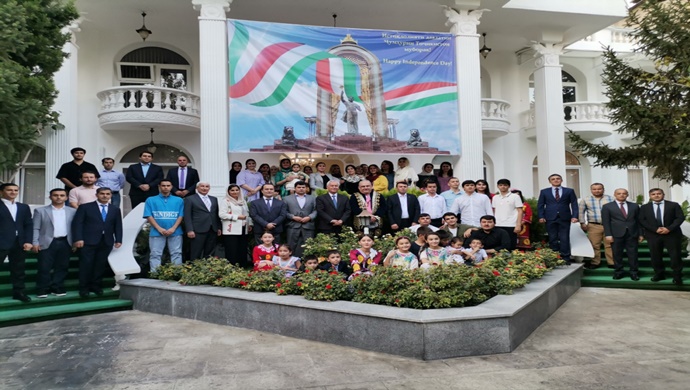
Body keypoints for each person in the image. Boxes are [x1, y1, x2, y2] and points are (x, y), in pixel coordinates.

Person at [72, 187, 123, 298]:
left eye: (107, 194)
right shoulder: (85, 207)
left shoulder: (115, 209)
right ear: (97, 195)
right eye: (102, 193)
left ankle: (96, 286)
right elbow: (77, 224)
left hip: (106, 241)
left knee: (100, 265)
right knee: (86, 265)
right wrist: (78, 238)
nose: (105, 196)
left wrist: (118, 239)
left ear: (110, 195)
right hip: (88, 241)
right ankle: (84, 288)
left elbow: (118, 225)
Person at [32, 188, 76, 298]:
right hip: (47, 242)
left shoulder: (73, 211)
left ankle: (57, 287)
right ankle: (42, 288)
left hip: (65, 241)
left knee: (62, 266)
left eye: (62, 195)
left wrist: (74, 242)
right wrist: (35, 242)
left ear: (66, 198)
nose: (59, 197)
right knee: (44, 266)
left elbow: (75, 228)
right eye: (55, 195)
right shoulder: (40, 211)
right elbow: (35, 228)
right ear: (50, 197)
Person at [639, 188, 685, 284]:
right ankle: (659, 274)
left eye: (659, 193)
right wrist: (655, 229)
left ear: (663, 194)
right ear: (650, 196)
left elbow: (680, 218)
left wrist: (669, 228)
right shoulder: (644, 207)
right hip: (653, 234)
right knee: (655, 255)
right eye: (653, 194)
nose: (656, 195)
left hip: (671, 234)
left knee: (675, 255)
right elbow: (642, 220)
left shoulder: (673, 205)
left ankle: (677, 276)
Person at [0, 183, 34, 302]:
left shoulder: (23, 207)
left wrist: (28, 241)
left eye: (15, 190)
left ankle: (18, 292)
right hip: (2, 241)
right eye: (9, 190)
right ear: (2, 192)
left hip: (19, 242)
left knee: (18, 270)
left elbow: (28, 225)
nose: (13, 192)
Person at [144, 180, 184, 273]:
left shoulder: (179, 200)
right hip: (156, 232)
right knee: (155, 254)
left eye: (168, 185)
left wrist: (173, 228)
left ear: (171, 187)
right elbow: (148, 216)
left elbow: (181, 215)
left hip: (175, 231)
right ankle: (155, 274)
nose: (165, 187)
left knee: (176, 254)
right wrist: (159, 228)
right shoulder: (150, 200)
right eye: (163, 185)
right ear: (159, 186)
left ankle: (176, 274)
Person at [537, 174, 579, 264]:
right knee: (552, 237)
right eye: (553, 179)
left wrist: (575, 216)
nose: (556, 180)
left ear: (561, 180)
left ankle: (566, 257)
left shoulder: (569, 191)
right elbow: (540, 205)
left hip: (565, 217)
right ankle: (554, 257)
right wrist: (541, 216)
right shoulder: (544, 192)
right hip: (550, 217)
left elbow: (574, 204)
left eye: (558, 179)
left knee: (564, 237)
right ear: (550, 181)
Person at [602, 188, 643, 281]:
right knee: (617, 254)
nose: (621, 195)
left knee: (633, 254)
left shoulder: (635, 206)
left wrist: (641, 234)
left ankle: (634, 273)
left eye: (624, 193)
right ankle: (618, 272)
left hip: (632, 234)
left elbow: (638, 221)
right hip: (616, 234)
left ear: (627, 195)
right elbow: (606, 222)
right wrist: (608, 234)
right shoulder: (607, 206)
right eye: (619, 193)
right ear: (615, 195)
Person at [578, 183, 615, 269]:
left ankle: (612, 262)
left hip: (610, 225)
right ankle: (595, 262)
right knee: (594, 245)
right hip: (594, 225)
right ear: (591, 190)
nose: (597, 190)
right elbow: (580, 212)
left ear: (603, 189)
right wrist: (582, 223)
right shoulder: (586, 199)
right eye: (594, 189)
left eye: (599, 189)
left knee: (609, 244)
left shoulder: (611, 198)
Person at [184, 182, 221, 260]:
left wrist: (218, 227)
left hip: (212, 229)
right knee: (196, 251)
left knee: (210, 252)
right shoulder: (190, 199)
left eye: (207, 186)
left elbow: (216, 214)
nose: (205, 188)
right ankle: (195, 269)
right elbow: (187, 216)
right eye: (202, 186)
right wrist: (189, 230)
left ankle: (208, 269)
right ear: (197, 188)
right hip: (197, 229)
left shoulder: (214, 199)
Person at [219, 184, 252, 268]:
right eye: (232, 190)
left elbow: (247, 213)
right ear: (228, 192)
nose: (235, 192)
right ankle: (232, 267)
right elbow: (222, 214)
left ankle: (242, 266)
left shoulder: (242, 201)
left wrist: (250, 223)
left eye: (237, 190)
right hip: (231, 229)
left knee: (242, 248)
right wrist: (237, 217)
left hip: (243, 228)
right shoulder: (225, 201)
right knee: (231, 250)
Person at [283, 181, 317, 258]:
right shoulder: (286, 198)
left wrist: (309, 217)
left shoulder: (312, 198)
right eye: (299, 187)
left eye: (303, 187)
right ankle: (291, 262)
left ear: (306, 188)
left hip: (308, 225)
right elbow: (284, 211)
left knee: (309, 245)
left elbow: (316, 210)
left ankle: (309, 264)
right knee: (291, 245)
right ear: (295, 188)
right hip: (292, 225)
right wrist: (292, 217)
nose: (301, 189)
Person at [492, 179, 523, 251]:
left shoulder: (515, 197)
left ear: (508, 186)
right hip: (498, 224)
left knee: (511, 244)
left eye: (505, 185)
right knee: (498, 244)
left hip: (511, 224)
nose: (503, 187)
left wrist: (518, 224)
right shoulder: (495, 197)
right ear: (498, 186)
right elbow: (494, 210)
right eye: (501, 185)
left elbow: (520, 210)